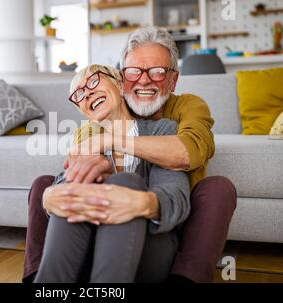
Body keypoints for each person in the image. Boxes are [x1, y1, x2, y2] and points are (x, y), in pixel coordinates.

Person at [24, 26, 237, 283]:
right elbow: (69, 178)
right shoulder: (89, 133)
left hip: (163, 227)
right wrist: (51, 196)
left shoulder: (177, 116)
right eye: (134, 71)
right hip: (95, 237)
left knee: (214, 188)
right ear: (123, 79)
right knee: (46, 186)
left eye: (157, 72)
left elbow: (185, 153)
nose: (144, 80)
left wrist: (114, 147)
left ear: (173, 80)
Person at [35, 64, 190, 283]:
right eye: (79, 93)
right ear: (82, 110)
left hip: (150, 248)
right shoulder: (87, 142)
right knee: (73, 188)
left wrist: (138, 201)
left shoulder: (161, 130)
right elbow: (64, 183)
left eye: (94, 81)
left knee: (124, 181)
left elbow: (176, 197)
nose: (87, 92)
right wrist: (52, 195)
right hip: (88, 248)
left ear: (119, 83)